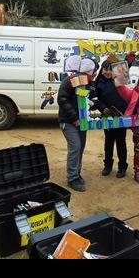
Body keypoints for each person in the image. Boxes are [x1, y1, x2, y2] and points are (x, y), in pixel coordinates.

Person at [58, 55, 98, 192]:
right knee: (75, 147)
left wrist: (93, 103)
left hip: (83, 123)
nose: (94, 76)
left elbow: (89, 98)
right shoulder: (70, 81)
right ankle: (72, 178)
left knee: (80, 148)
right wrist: (74, 118)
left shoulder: (88, 83)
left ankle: (77, 173)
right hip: (68, 122)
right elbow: (62, 99)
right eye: (94, 73)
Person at [94, 60, 129, 178]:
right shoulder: (97, 82)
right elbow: (95, 99)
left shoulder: (119, 80)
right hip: (107, 116)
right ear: (101, 70)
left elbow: (127, 94)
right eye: (105, 69)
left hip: (120, 115)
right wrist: (103, 108)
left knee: (121, 142)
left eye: (110, 69)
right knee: (109, 142)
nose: (108, 72)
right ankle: (107, 165)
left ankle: (122, 167)